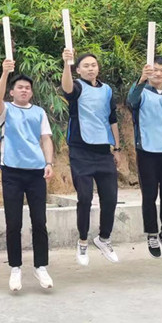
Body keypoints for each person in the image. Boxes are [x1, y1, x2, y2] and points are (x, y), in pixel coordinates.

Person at [0, 59, 54, 292]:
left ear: (31, 92)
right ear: (12, 91)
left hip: (36, 172)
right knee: (13, 223)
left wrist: (49, 163)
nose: (24, 90)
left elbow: (46, 139)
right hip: (12, 171)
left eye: (27, 88)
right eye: (20, 87)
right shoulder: (6, 111)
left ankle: (41, 266)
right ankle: (15, 268)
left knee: (39, 221)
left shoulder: (39, 112)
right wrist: (5, 73)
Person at [61, 49, 122, 266]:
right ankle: (82, 241)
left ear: (98, 68)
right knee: (85, 198)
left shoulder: (106, 90)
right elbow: (67, 88)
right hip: (80, 151)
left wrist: (117, 148)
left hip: (103, 150)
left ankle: (104, 239)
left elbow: (112, 118)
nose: (90, 69)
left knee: (110, 198)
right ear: (78, 70)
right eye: (85, 66)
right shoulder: (77, 87)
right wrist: (66, 64)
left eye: (93, 65)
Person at [126, 56, 162, 258]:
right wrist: (141, 80)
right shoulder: (141, 92)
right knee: (149, 196)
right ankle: (151, 234)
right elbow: (131, 102)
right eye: (155, 70)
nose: (158, 73)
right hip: (147, 151)